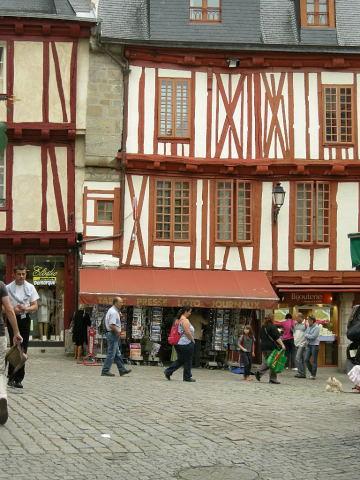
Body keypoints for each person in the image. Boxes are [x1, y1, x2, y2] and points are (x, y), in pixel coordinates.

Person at [6, 265, 39, 389]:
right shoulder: (8, 288)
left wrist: (26, 308)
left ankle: (19, 378)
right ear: (14, 274)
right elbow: (3, 308)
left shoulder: (30, 287)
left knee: (23, 348)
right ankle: (11, 376)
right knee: (14, 347)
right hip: (12, 318)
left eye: (23, 274)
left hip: (25, 319)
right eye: (19, 274)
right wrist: (12, 310)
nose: (21, 276)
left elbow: (35, 306)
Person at [0, 282, 22, 425]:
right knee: (0, 370)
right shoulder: (1, 285)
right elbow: (8, 309)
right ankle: (2, 396)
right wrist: (16, 332)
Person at [101, 297, 131, 377]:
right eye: (120, 302)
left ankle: (122, 370)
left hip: (112, 334)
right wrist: (118, 332)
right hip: (113, 334)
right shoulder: (114, 312)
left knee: (117, 353)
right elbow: (112, 325)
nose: (122, 304)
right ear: (115, 303)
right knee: (111, 354)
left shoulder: (113, 311)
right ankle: (105, 370)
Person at [164, 305, 195, 382]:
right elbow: (187, 332)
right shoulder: (185, 320)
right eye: (189, 312)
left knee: (181, 360)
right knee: (188, 360)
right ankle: (187, 377)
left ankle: (168, 371)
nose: (190, 313)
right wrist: (192, 340)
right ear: (185, 311)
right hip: (185, 343)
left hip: (178, 343)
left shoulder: (177, 320)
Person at [255, 314, 286, 384]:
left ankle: (272, 378)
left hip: (263, 347)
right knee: (272, 362)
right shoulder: (272, 327)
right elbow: (277, 338)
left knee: (270, 361)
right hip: (271, 347)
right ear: (272, 319)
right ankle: (260, 372)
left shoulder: (263, 327)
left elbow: (260, 337)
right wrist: (282, 345)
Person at [304, 315, 320, 380]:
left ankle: (313, 374)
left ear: (312, 321)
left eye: (309, 320)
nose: (308, 321)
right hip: (309, 345)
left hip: (315, 345)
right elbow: (305, 334)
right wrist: (307, 335)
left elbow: (313, 337)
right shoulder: (308, 327)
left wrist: (307, 335)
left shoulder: (317, 327)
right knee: (306, 359)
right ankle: (312, 372)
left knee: (314, 360)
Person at [294, 313, 307, 379]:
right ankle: (302, 373)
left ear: (300, 317)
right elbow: (295, 333)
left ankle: (301, 373)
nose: (296, 319)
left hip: (302, 344)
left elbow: (307, 334)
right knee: (301, 359)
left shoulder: (305, 324)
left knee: (297, 358)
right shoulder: (296, 324)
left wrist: (305, 343)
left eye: (297, 318)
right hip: (297, 344)